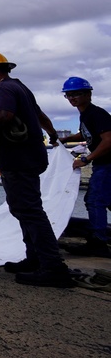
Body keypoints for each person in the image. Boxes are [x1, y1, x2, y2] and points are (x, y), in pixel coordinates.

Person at [0, 51, 73, 288]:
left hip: (18, 159)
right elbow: (39, 115)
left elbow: (4, 115)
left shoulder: (3, 89)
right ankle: (35, 258)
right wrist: (52, 134)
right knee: (23, 209)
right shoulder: (21, 88)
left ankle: (53, 267)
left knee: (29, 211)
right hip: (29, 156)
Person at [57, 77, 111, 257]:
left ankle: (98, 242)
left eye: (76, 94)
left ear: (88, 94)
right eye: (69, 95)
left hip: (107, 164)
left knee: (94, 200)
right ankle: (99, 237)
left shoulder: (97, 114)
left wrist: (86, 159)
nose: (72, 98)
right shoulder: (86, 114)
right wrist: (66, 139)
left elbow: (108, 141)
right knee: (106, 201)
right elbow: (87, 133)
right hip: (103, 164)